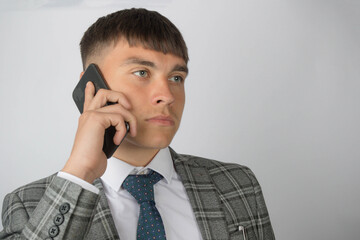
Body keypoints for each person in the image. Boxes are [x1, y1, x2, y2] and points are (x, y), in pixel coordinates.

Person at [0, 8, 275, 240]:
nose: (167, 95)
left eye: (177, 77)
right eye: (142, 72)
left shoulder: (238, 184)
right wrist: (80, 171)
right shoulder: (29, 205)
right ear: (91, 86)